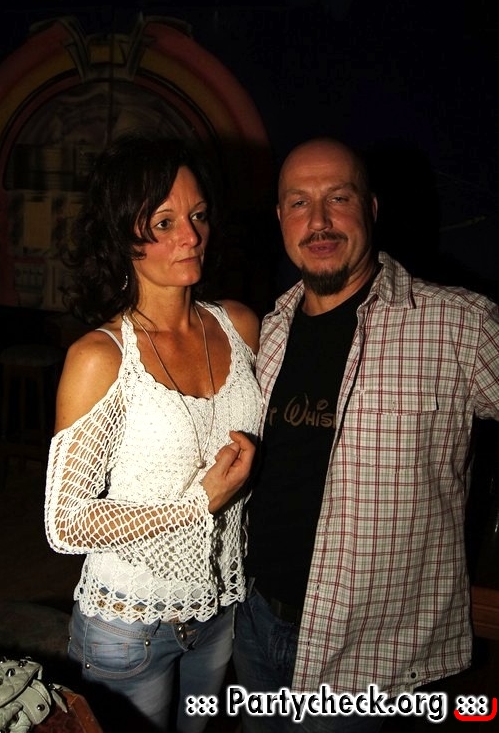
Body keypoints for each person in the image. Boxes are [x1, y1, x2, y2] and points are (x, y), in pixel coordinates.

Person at [233, 137, 499, 732]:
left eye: (339, 197)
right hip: (256, 625)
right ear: (279, 217)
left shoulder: (458, 325)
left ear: (371, 208)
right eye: (299, 203)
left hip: (367, 654)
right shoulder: (267, 331)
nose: (318, 221)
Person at [44, 134, 263, 732]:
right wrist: (198, 504)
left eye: (198, 216)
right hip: (128, 626)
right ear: (123, 236)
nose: (190, 236)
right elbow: (66, 523)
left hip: (220, 606)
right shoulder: (101, 357)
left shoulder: (240, 325)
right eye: (164, 223)